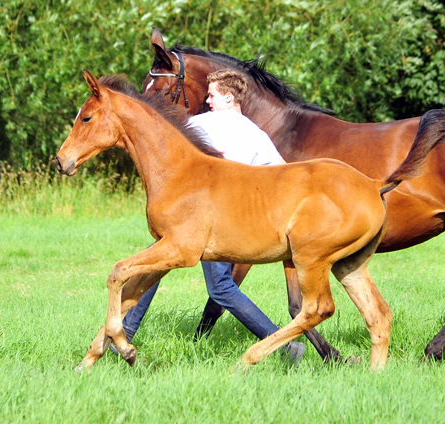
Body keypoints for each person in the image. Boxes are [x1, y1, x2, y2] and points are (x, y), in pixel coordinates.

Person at [115, 69, 305, 365]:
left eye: (212, 94)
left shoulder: (199, 123)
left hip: (197, 215)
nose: (207, 100)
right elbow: (282, 174)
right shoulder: (256, 135)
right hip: (232, 220)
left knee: (218, 286)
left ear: (229, 97)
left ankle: (284, 345)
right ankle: (125, 331)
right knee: (161, 266)